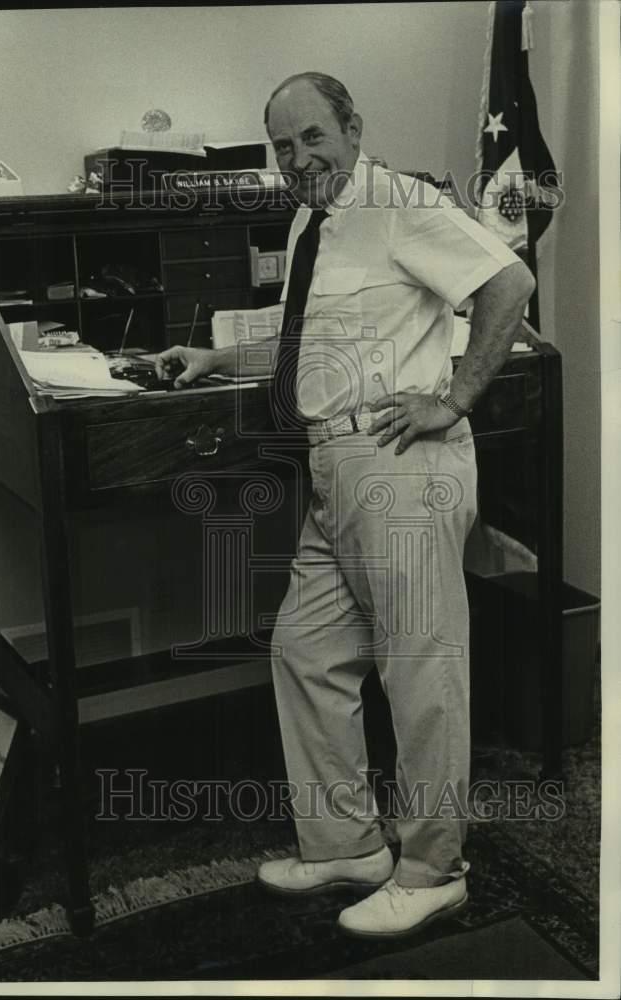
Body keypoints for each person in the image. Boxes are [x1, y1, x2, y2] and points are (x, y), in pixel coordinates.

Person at [154, 71, 535, 939]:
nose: (297, 160)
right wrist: (216, 360)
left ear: (352, 129)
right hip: (334, 468)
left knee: (419, 671)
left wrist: (455, 396)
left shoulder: (400, 202)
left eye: (312, 139)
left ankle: (434, 868)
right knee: (305, 649)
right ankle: (346, 844)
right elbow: (311, 343)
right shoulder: (311, 220)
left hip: (399, 462)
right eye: (281, 147)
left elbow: (506, 285)